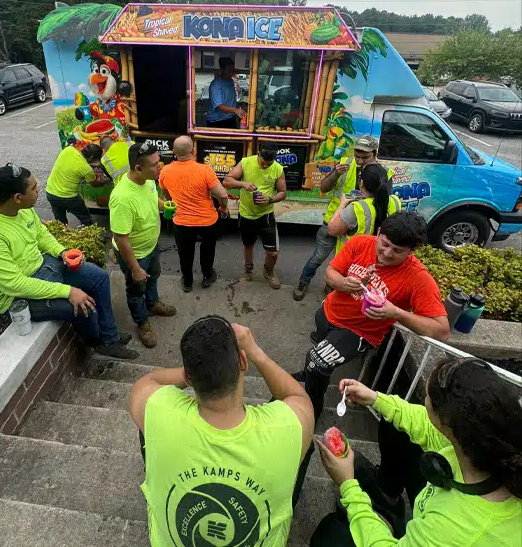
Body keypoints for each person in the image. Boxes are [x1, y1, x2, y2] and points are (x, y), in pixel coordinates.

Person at [129, 316, 315, 546]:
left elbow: (148, 381)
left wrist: (199, 367)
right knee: (306, 443)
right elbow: (298, 397)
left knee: (147, 426)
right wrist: (255, 351)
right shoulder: (287, 428)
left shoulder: (156, 408)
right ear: (243, 363)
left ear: (188, 377)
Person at [310, 358, 522, 546]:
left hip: (435, 527)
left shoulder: (452, 529)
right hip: (437, 505)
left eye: (426, 400)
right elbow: (422, 422)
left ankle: (385, 519)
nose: (423, 404)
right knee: (397, 425)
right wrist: (375, 398)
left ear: (446, 422)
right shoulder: (489, 444)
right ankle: (387, 501)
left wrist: (348, 486)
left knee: (329, 535)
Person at [0, 163, 138, 360]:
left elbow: (41, 235)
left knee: (99, 278)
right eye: (34, 188)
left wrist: (61, 252)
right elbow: (14, 284)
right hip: (14, 297)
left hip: (42, 266)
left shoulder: (21, 209)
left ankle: (109, 337)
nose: (39, 191)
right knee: (78, 308)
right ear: (17, 198)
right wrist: (68, 291)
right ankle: (97, 341)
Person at [302, 211, 449, 425]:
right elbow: (331, 272)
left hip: (358, 332)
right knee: (318, 351)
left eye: (397, 251)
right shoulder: (361, 242)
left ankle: (312, 409)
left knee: (316, 362)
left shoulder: (418, 278)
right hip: (328, 313)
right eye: (385, 243)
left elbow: (441, 330)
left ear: (413, 251)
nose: (387, 253)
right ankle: (311, 376)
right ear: (379, 233)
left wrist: (396, 313)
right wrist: (343, 283)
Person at [294, 135, 392, 301]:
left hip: (356, 228)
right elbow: (324, 188)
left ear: (375, 154)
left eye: (365, 157)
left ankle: (331, 286)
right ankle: (303, 283)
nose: (360, 160)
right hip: (333, 221)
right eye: (357, 155)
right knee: (318, 257)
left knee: (346, 265)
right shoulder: (344, 162)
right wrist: (335, 174)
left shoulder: (384, 173)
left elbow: (385, 201)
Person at [110, 142, 176, 349]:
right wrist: (136, 268)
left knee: (154, 276)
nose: (160, 167)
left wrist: (164, 205)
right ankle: (142, 322)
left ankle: (153, 303)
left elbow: (153, 196)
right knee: (136, 289)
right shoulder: (122, 198)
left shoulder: (147, 180)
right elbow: (121, 239)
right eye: (156, 164)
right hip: (135, 254)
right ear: (138, 168)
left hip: (151, 245)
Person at [158, 135, 229, 292]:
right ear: (193, 150)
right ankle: (207, 276)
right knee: (207, 250)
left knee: (185, 252)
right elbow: (222, 195)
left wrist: (175, 200)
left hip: (181, 221)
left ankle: (188, 281)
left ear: (174, 153)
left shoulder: (165, 171)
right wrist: (223, 208)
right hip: (207, 221)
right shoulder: (205, 170)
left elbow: (166, 194)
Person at [223, 144, 287, 289]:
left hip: (266, 215)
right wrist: (243, 184)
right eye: (263, 162)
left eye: (268, 164)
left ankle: (268, 272)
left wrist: (269, 199)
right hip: (246, 214)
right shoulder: (246, 162)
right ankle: (248, 270)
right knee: (248, 245)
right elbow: (227, 181)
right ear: (258, 154)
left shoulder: (278, 169)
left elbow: (283, 193)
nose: (265, 165)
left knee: (273, 252)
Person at [327, 162, 401, 254]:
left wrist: (342, 204)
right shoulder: (395, 201)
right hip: (381, 259)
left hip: (353, 262)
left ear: (361, 183)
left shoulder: (357, 208)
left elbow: (332, 230)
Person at [45, 144, 106, 226]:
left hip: (50, 192)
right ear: (92, 158)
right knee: (85, 217)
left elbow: (74, 163)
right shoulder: (86, 169)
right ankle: (88, 232)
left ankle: (62, 234)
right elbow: (94, 184)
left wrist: (91, 164)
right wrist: (106, 180)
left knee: (60, 221)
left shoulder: (68, 150)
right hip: (68, 197)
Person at [206, 57, 246, 129]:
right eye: (229, 71)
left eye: (232, 70)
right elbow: (221, 106)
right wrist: (236, 110)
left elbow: (229, 100)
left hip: (230, 118)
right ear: (222, 69)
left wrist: (239, 106)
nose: (231, 73)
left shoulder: (230, 80)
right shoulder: (216, 85)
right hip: (217, 122)